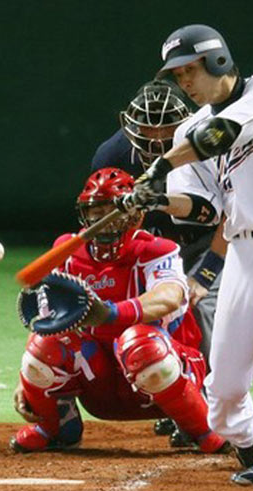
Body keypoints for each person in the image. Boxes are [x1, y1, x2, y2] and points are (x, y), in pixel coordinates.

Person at [118, 24, 253, 486]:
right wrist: (155, 199)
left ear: (218, 61)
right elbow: (201, 209)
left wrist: (159, 166)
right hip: (245, 254)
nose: (184, 82)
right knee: (224, 390)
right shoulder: (189, 129)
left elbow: (223, 133)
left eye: (190, 70)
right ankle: (247, 441)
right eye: (176, 75)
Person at [10, 167, 230, 456]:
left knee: (139, 342)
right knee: (42, 346)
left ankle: (200, 429)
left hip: (162, 370)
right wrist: (26, 380)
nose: (103, 221)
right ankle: (57, 428)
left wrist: (112, 313)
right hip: (100, 379)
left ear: (136, 215)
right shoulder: (66, 251)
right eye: (95, 212)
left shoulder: (156, 250)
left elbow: (170, 296)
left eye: (112, 211)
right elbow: (50, 321)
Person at [91, 79, 226, 362]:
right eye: (148, 124)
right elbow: (101, 220)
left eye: (167, 124)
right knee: (123, 306)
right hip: (148, 250)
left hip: (208, 244)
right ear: (131, 123)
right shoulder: (112, 155)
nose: (156, 135)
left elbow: (230, 215)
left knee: (199, 307)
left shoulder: (209, 149)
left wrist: (206, 274)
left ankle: (211, 393)